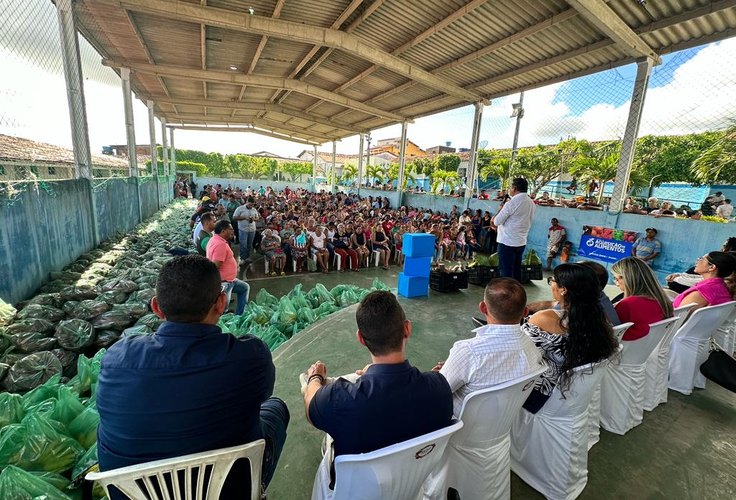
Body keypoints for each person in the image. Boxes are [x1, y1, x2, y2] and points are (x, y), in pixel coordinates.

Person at [96, 255, 289, 500]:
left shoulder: (115, 359)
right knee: (275, 408)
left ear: (156, 307)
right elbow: (263, 395)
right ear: (221, 303)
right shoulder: (250, 357)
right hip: (227, 489)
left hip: (134, 492)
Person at [304, 291, 453, 484]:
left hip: (356, 490)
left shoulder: (339, 400)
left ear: (361, 339)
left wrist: (315, 376)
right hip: (410, 487)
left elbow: (310, 404)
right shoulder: (440, 389)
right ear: (407, 329)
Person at [435, 278, 543, 416]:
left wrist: (439, 375)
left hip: (459, 430)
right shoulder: (532, 347)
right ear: (525, 312)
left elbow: (437, 394)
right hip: (502, 429)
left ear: (483, 308)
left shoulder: (468, 352)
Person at [522, 264, 618, 413]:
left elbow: (521, 354)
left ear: (563, 289)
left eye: (552, 280)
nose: (551, 283)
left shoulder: (544, 319)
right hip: (575, 392)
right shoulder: (600, 320)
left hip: (543, 393)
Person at [611, 257, 674, 341]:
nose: (616, 283)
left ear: (627, 278)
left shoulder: (627, 304)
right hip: (646, 351)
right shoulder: (662, 301)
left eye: (616, 278)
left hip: (623, 351)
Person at [492, 178, 535, 281]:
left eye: (510, 187)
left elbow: (496, 222)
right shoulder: (531, 203)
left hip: (507, 242)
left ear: (514, 188)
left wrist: (500, 210)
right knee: (516, 270)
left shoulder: (511, 203)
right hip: (521, 241)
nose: (510, 190)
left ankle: (507, 294)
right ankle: (516, 292)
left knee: (506, 271)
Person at [206, 220, 250, 315]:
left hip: (230, 280)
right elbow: (215, 265)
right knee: (223, 310)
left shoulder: (214, 239)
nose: (233, 231)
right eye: (230, 229)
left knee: (244, 288)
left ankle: (240, 315)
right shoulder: (220, 245)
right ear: (223, 231)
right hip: (224, 283)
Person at [233, 197, 260, 264]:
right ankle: (242, 258)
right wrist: (244, 217)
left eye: (252, 205)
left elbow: (257, 218)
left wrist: (254, 219)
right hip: (243, 229)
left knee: (249, 244)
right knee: (243, 244)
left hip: (252, 229)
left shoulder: (254, 210)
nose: (251, 206)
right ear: (247, 202)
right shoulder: (240, 208)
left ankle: (247, 257)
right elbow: (234, 217)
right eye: (250, 204)